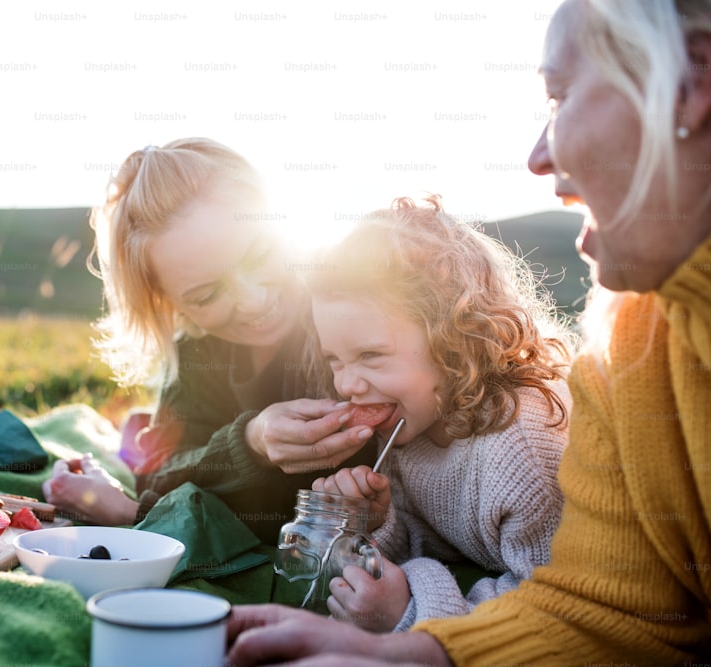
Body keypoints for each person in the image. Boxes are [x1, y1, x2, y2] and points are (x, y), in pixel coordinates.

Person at [226, 0, 711, 664]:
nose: (538, 156)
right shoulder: (626, 349)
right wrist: (395, 602)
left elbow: (532, 575)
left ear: (692, 87)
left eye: (559, 97)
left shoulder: (526, 442)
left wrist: (414, 610)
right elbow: (615, 607)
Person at [43, 138, 376, 543]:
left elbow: (305, 514)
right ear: (169, 305)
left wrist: (135, 513)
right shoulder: (196, 351)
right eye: (206, 295)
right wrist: (249, 442)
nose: (254, 301)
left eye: (259, 254)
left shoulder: (348, 315)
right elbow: (160, 469)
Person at [304, 195, 572, 633]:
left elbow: (555, 606)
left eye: (371, 354)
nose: (346, 385)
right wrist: (375, 523)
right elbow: (433, 538)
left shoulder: (521, 447)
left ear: (456, 340)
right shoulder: (413, 419)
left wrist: (411, 612)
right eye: (335, 359)